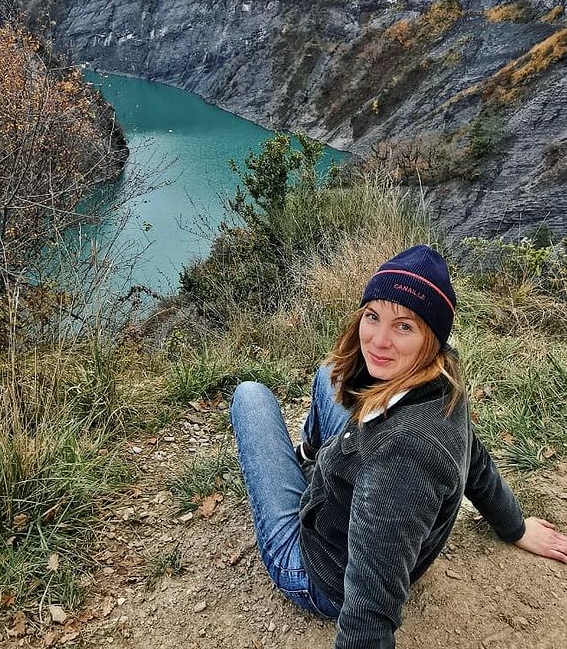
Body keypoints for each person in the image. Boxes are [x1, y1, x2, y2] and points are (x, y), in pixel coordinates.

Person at [230, 245, 567, 649]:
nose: (378, 341)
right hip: (356, 517)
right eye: (372, 316)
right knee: (329, 373)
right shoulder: (442, 380)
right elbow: (473, 459)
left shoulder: (403, 458)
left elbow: (369, 614)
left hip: (320, 572)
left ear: (431, 337)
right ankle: (311, 456)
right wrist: (515, 526)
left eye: (404, 326)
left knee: (250, 396)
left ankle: (307, 466)